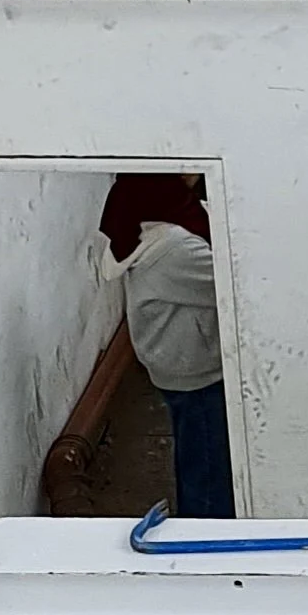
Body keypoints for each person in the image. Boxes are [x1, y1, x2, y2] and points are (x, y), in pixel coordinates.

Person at [98, 173, 236, 516]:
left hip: (176, 365)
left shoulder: (147, 223)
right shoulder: (176, 248)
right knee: (208, 470)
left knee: (196, 455)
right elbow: (238, 283)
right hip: (198, 373)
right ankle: (206, 545)